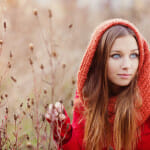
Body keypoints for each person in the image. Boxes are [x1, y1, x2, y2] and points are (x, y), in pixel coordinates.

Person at [45, 18, 150, 150]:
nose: (127, 65)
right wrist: (62, 128)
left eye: (134, 55)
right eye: (116, 56)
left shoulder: (147, 97)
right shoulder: (89, 95)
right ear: (99, 60)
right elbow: (79, 146)